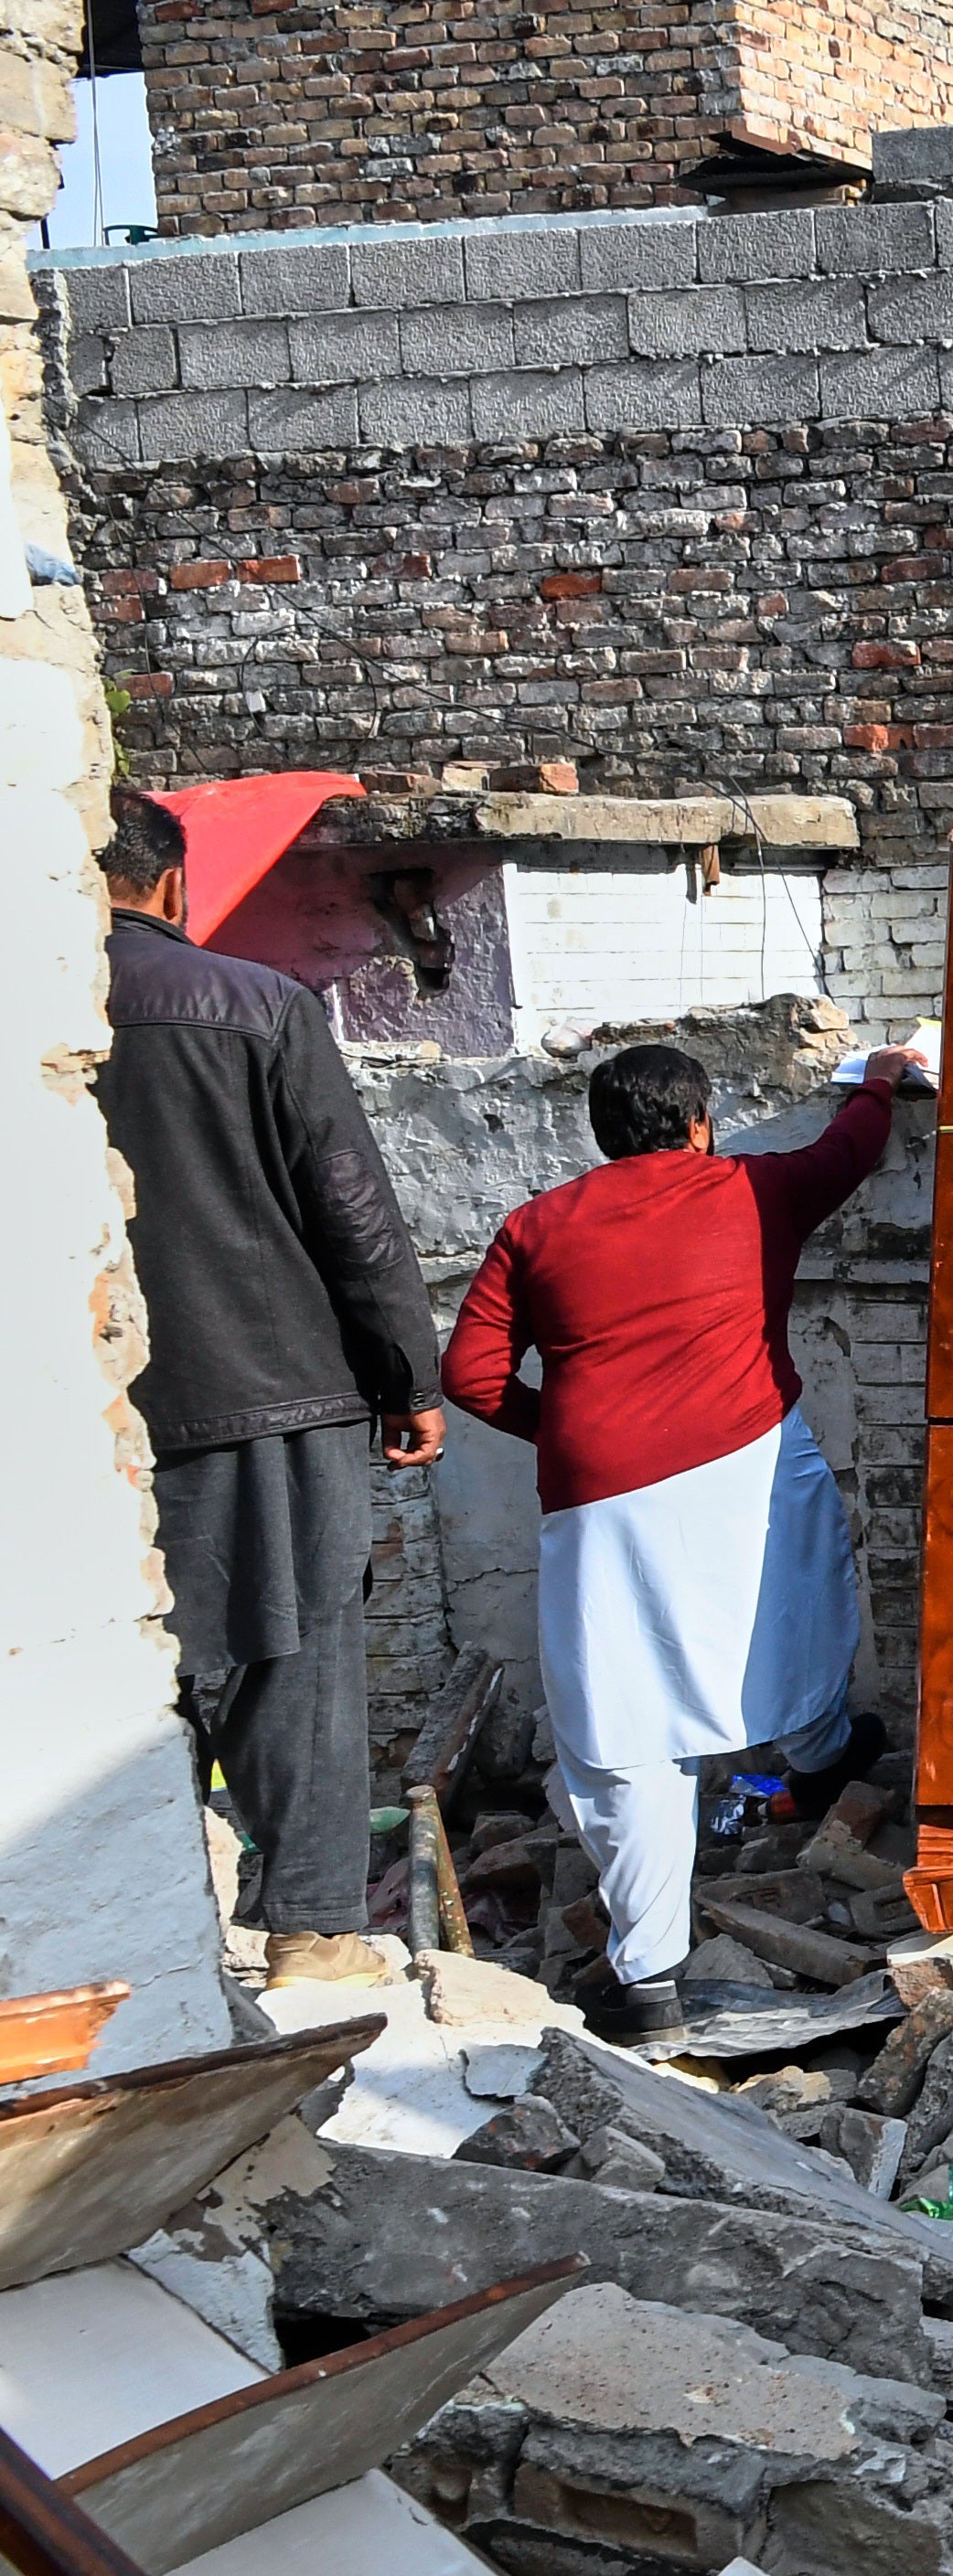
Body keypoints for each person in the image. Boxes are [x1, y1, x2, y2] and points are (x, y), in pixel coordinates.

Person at [444, 1035, 926, 2041]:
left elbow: (469, 1372)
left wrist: (573, 1429)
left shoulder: (535, 1224)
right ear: (701, 1124)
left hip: (599, 1501)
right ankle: (822, 1754)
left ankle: (650, 1981)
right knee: (797, 1616)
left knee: (624, 1725)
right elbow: (857, 1142)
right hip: (750, 1458)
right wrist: (883, 1071)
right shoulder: (756, 1189)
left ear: (600, 1135)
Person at [91, 784, 447, 1988]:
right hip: (272, 1381)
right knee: (295, 1655)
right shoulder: (254, 1005)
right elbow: (350, 1205)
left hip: (100, 1411)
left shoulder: (39, 1015)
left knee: (132, 1676)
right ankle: (310, 1927)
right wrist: (409, 1374)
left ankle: (142, 1936)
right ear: (174, 886)